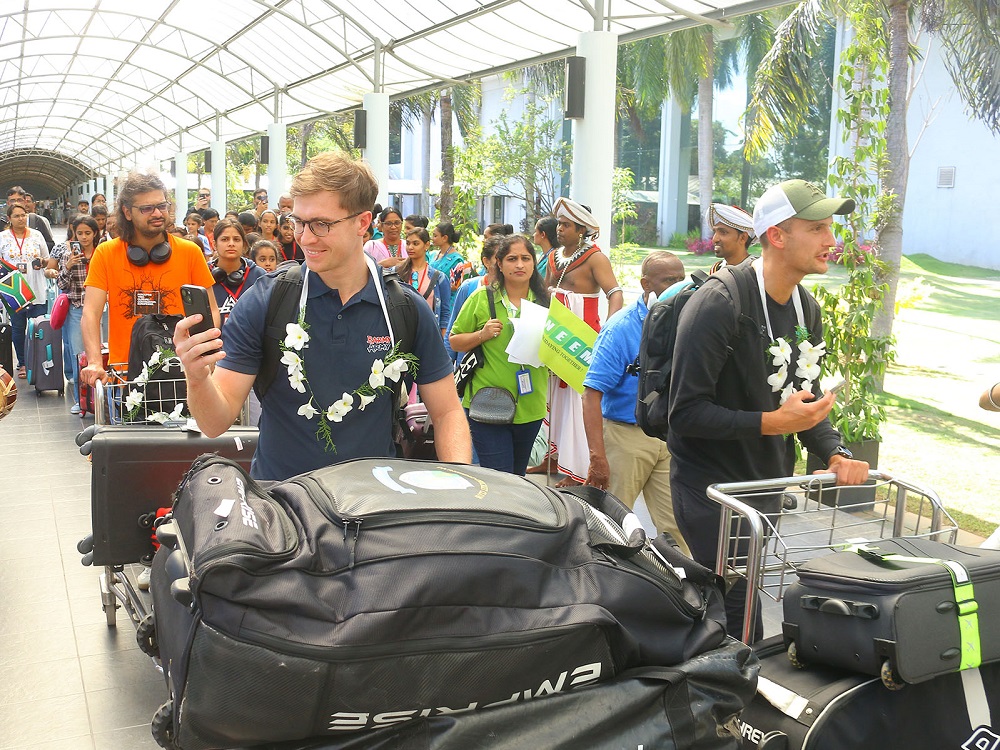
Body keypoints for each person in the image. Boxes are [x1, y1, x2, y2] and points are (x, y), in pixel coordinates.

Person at [173, 151, 471, 481]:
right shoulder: (266, 301)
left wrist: (459, 488)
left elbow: (446, 412)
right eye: (299, 222)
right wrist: (197, 377)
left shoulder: (404, 308)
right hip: (282, 500)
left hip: (374, 501)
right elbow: (214, 423)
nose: (305, 237)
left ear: (362, 223)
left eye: (321, 224)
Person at [668, 179, 871, 641]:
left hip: (765, 488)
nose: (831, 240)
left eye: (830, 228)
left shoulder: (806, 308)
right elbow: (685, 414)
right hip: (712, 491)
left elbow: (804, 401)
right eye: (817, 228)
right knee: (738, 616)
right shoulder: (718, 302)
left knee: (733, 611)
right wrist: (773, 423)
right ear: (777, 235)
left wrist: (835, 452)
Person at [582, 251, 690, 554]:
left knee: (678, 526)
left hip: (669, 439)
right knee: (612, 526)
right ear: (646, 284)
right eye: (668, 280)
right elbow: (591, 394)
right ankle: (604, 577)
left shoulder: (688, 320)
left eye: (681, 279)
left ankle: (683, 579)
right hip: (625, 438)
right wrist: (597, 457)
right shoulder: (621, 328)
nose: (678, 287)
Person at [80, 172, 218, 385]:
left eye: (162, 206)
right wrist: (95, 362)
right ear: (127, 212)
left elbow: (211, 311)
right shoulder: (106, 253)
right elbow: (90, 312)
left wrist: (203, 353)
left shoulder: (190, 252)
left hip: (182, 372)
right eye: (147, 208)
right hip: (126, 375)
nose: (157, 213)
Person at [539, 197, 623, 486]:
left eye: (566, 225)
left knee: (578, 403)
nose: (559, 229)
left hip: (583, 339)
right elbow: (545, 292)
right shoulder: (554, 257)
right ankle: (553, 457)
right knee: (554, 397)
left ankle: (576, 470)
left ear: (582, 230)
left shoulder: (595, 258)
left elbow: (615, 293)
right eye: (559, 224)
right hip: (556, 335)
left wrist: (609, 331)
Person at [450, 234, 550, 475]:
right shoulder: (482, 298)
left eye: (526, 258)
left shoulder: (546, 302)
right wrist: (481, 335)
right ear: (500, 264)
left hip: (531, 404)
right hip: (488, 403)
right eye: (512, 259)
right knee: (500, 478)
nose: (519, 265)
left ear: (534, 263)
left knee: (517, 477)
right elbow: (455, 340)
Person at [0, 203, 51, 379]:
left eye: (23, 215)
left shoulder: (36, 235)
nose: (21, 219)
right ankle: (22, 362)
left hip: (36, 288)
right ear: (9, 219)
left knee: (38, 327)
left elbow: (48, 259)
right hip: (14, 290)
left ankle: (38, 361)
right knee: (18, 327)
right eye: (16, 216)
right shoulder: (3, 237)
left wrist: (43, 262)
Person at [57, 215, 100, 412]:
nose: (84, 237)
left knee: (104, 351)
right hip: (77, 308)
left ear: (95, 233)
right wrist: (68, 266)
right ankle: (80, 400)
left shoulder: (102, 253)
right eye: (80, 233)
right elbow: (61, 285)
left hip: (102, 308)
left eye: (87, 233)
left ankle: (105, 397)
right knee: (78, 355)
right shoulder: (69, 255)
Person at [210, 219, 266, 326]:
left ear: (244, 245)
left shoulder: (259, 276)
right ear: (214, 244)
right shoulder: (203, 274)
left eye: (236, 239)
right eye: (225, 239)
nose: (231, 244)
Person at [398, 228, 450, 336]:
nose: (410, 247)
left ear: (426, 245)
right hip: (402, 333)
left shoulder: (439, 278)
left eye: (415, 243)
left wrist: (442, 341)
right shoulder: (396, 273)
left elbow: (445, 314)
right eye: (408, 243)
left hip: (428, 334)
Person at [708, 203, 756, 273]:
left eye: (723, 232)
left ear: (743, 238)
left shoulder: (756, 271)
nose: (715, 239)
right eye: (714, 232)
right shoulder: (716, 269)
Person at [429, 222, 468, 292]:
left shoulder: (456, 260)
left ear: (444, 238)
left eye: (435, 236)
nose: (432, 238)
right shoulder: (432, 254)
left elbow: (456, 286)